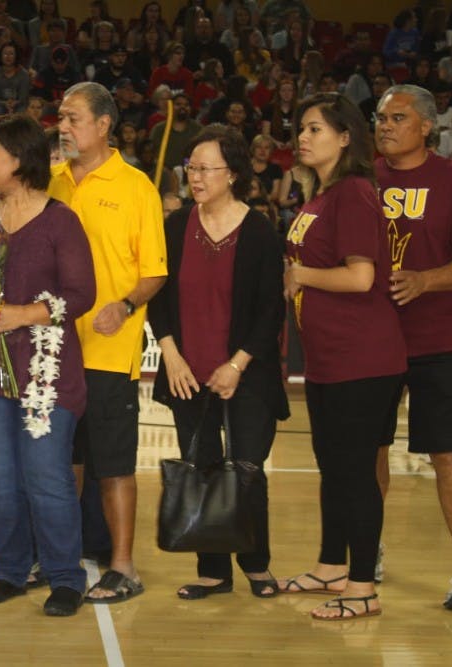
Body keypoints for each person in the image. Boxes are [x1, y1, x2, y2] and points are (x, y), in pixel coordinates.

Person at [0, 113, 95, 616]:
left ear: (21, 160)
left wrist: (23, 315)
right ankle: (8, 570)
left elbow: (82, 294)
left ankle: (65, 577)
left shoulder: (60, 220)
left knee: (47, 475)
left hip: (45, 372)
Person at [278, 92, 407, 620]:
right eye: (300, 129)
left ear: (346, 136)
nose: (303, 138)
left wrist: (302, 275)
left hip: (364, 358)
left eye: (314, 129)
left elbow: (361, 276)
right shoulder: (320, 196)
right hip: (330, 358)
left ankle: (362, 588)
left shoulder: (353, 191)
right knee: (333, 467)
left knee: (354, 471)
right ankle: (332, 565)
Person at [148, 124, 288, 601]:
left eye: (205, 168)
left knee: (247, 468)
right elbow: (157, 296)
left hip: (245, 372)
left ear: (232, 173)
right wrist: (170, 353)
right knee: (202, 467)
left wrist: (237, 364)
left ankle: (256, 564)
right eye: (191, 168)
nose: (196, 177)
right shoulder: (175, 226)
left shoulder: (260, 232)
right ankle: (213, 571)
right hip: (185, 371)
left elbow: (272, 309)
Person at [375, 84, 452, 611]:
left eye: (397, 117)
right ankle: (365, 551)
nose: (384, 125)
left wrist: (424, 281)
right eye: (380, 117)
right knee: (367, 452)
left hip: (435, 341)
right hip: (371, 342)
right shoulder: (360, 180)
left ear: (427, 125)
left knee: (449, 454)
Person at [48, 82, 166, 604]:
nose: (63, 126)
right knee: (60, 462)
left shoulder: (137, 185)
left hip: (109, 352)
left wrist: (125, 305)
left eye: (73, 118)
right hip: (51, 350)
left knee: (114, 463)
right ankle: (61, 557)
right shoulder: (47, 181)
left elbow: (155, 273)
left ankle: (123, 566)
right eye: (61, 118)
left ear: (103, 126)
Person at [148, 92, 202, 170]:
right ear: (171, 107)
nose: (182, 107)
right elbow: (150, 152)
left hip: (190, 172)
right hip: (163, 174)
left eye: (186, 105)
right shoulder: (159, 129)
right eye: (178, 104)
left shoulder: (198, 129)